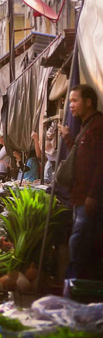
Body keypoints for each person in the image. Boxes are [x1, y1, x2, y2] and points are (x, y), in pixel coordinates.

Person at [60, 84, 103, 280]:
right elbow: (79, 155)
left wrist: (93, 196)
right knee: (78, 242)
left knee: (78, 243)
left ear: (88, 102)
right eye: (70, 101)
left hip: (88, 199)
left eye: (74, 100)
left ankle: (74, 285)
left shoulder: (98, 126)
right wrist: (68, 138)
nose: (71, 106)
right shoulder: (85, 126)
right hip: (79, 197)